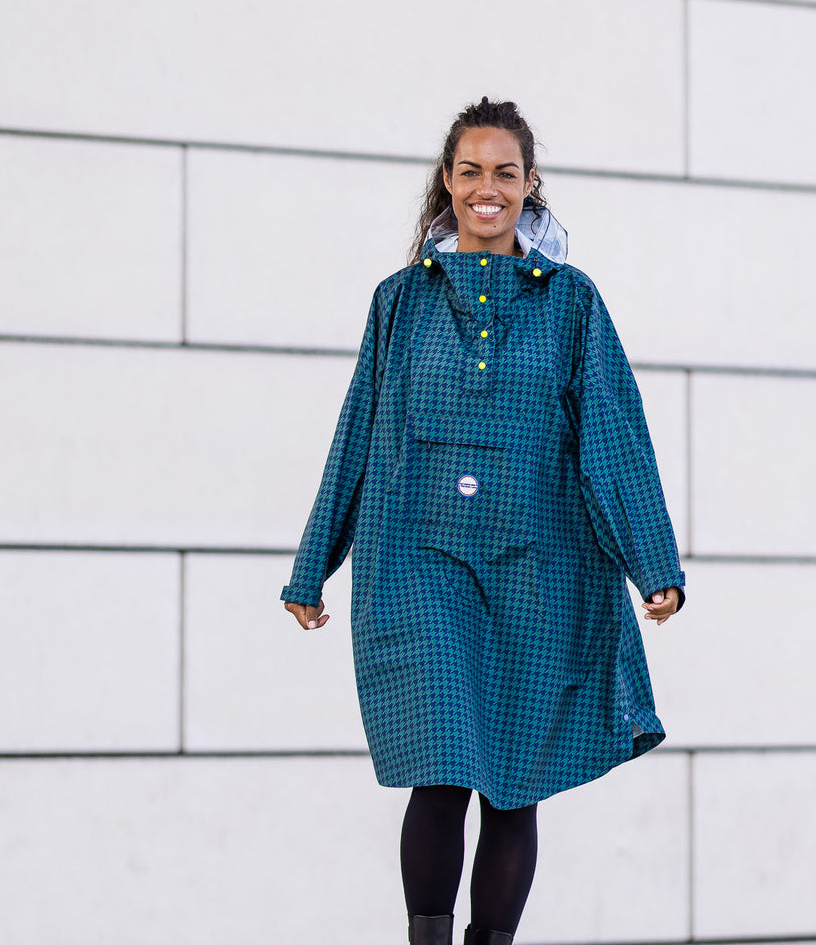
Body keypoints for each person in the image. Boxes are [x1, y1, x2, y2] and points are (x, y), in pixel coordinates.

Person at [281, 97, 685, 945]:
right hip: (420, 566)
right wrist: (311, 564)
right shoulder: (400, 302)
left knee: (514, 780)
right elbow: (358, 428)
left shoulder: (571, 303)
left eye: (505, 172)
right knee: (441, 769)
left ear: (529, 186)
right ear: (448, 183)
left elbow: (613, 433)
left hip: (540, 567)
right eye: (470, 171)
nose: (486, 188)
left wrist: (654, 564)